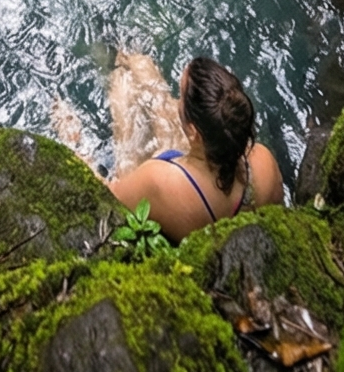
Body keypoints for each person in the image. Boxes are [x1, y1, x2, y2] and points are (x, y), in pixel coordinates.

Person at [56, 52, 283, 243]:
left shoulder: (160, 181)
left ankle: (115, 63)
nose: (177, 102)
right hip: (207, 179)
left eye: (181, 97)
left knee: (121, 85)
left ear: (194, 132)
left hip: (187, 193)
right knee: (142, 65)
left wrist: (73, 140)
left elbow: (106, 193)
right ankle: (129, 58)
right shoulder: (263, 162)